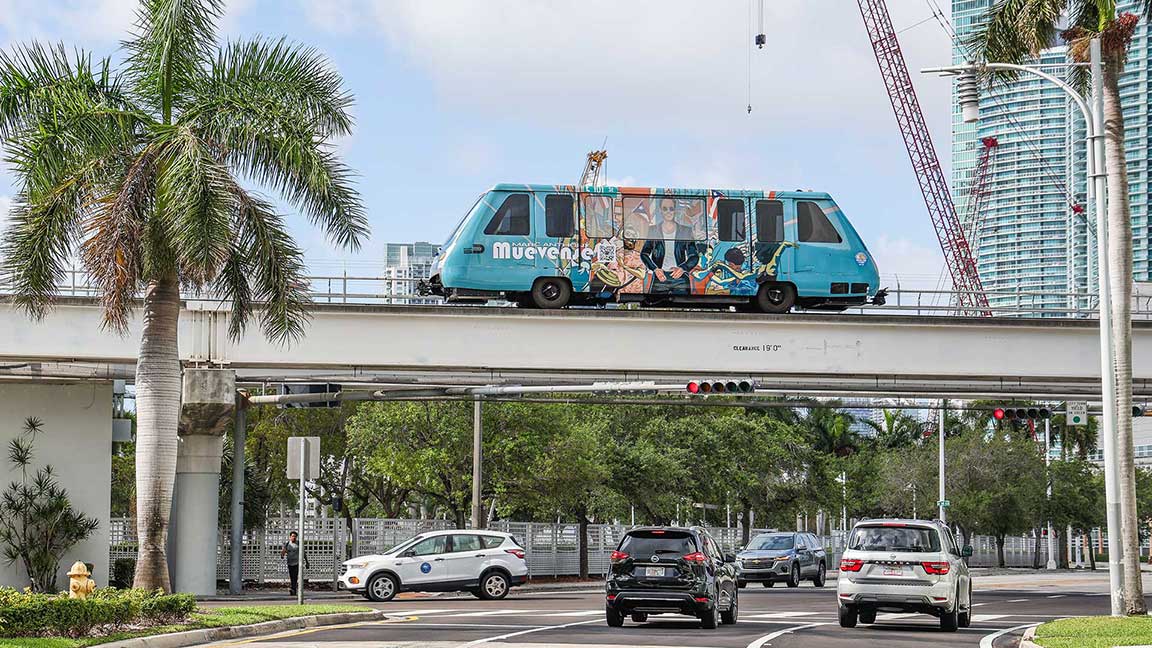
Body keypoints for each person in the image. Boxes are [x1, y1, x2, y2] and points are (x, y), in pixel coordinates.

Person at [281, 531, 309, 596]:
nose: (294, 538)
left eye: (295, 536)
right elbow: (283, 551)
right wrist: (282, 555)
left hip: (297, 563)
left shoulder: (299, 544)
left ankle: (293, 589)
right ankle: (293, 589)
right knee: (292, 576)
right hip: (290, 563)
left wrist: (307, 562)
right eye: (292, 536)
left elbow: (304, 553)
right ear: (290, 537)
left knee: (295, 576)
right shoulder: (287, 544)